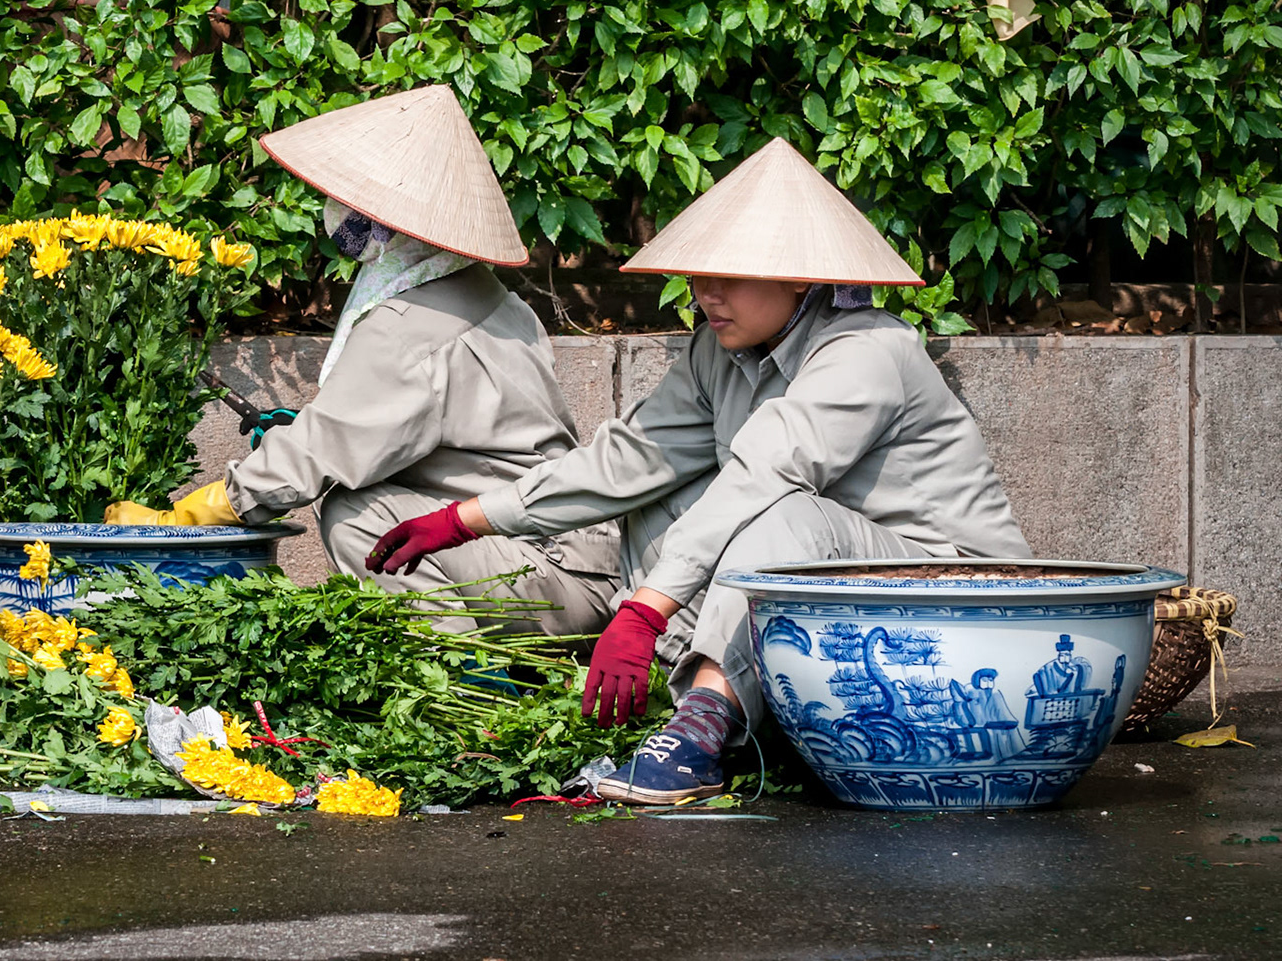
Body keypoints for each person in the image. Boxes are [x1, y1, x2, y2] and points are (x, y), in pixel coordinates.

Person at [366, 137, 1032, 801]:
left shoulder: (870, 348)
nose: (707, 294)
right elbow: (630, 458)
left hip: (957, 609)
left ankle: (699, 732)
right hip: (841, 616)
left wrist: (643, 612)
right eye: (698, 274)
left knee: (781, 507)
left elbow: (764, 474)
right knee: (660, 490)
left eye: (730, 275)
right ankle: (694, 699)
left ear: (800, 276)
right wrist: (464, 519)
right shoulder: (720, 354)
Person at [104, 84, 622, 635]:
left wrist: (186, 519)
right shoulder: (480, 291)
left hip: (545, 569)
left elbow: (314, 457)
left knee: (358, 516)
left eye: (353, 201)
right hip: (573, 556)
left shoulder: (409, 325)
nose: (337, 212)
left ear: (385, 218)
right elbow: (416, 424)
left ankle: (463, 681)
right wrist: (315, 427)